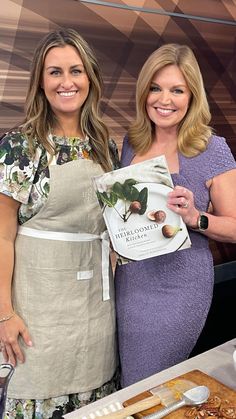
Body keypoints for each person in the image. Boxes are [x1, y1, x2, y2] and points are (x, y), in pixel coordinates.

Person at [0, 28, 119, 418]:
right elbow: (1, 235)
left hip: (96, 311)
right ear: (40, 80)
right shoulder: (21, 145)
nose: (66, 82)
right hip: (38, 312)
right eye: (55, 72)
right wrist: (4, 313)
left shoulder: (105, 143)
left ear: (90, 78)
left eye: (76, 71)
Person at [115, 43, 236, 388]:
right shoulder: (131, 141)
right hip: (130, 284)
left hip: (178, 289)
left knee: (143, 386)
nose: (164, 99)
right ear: (144, 91)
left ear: (192, 96)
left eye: (177, 90)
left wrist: (196, 216)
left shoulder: (210, 147)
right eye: (156, 88)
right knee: (137, 386)